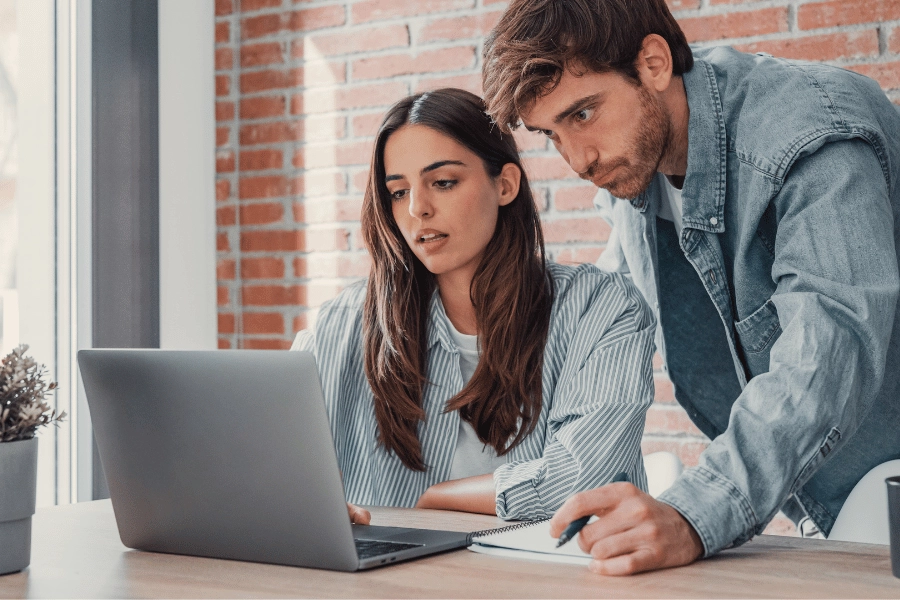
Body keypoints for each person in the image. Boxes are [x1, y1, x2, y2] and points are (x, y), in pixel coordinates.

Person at [482, 0, 900, 576]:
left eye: (582, 114)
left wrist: (693, 512)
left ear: (653, 63)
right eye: (550, 134)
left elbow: (828, 355)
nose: (577, 160)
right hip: (834, 500)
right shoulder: (634, 162)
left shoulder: (811, 133)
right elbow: (603, 317)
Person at [291, 88, 656, 524]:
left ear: (505, 185)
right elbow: (278, 464)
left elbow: (582, 480)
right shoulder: (347, 320)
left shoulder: (601, 309)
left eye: (443, 182)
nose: (418, 210)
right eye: (398, 192)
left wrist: (441, 498)